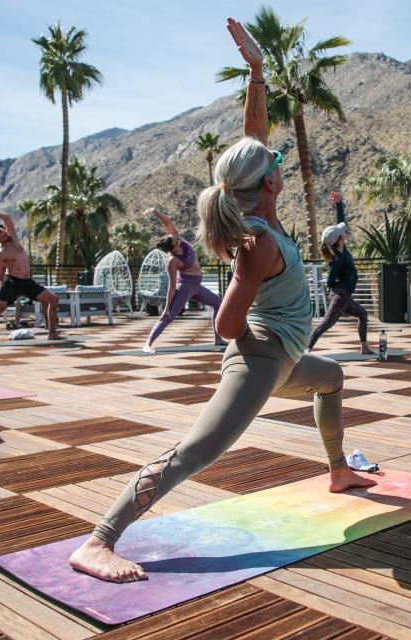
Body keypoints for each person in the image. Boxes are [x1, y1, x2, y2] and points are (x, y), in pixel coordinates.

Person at [69, 18, 377, 583]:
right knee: (196, 453)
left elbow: (254, 140)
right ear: (268, 184)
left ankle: (338, 471)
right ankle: (97, 541)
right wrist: (257, 350)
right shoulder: (257, 242)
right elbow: (229, 320)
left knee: (331, 377)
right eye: (277, 164)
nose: (280, 161)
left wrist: (257, 73)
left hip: (281, 356)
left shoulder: (263, 215)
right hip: (260, 361)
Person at [0, 208, 61, 346]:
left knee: (53, 299)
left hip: (27, 282)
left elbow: (7, 216)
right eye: (2, 237)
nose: (6, 236)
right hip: (12, 283)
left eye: (4, 233)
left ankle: (52, 333)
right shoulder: (1, 253)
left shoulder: (14, 237)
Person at [141, 207, 224, 353]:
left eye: (175, 237)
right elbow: (172, 286)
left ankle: (218, 338)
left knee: (217, 302)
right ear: (173, 247)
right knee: (168, 315)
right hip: (184, 287)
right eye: (175, 240)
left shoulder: (177, 239)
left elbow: (168, 222)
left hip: (196, 286)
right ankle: (148, 343)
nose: (177, 238)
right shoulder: (172, 261)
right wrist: (167, 306)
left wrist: (155, 212)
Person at [306, 191, 373, 354]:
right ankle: (306, 350)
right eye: (342, 232)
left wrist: (338, 203)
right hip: (340, 296)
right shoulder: (338, 258)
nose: (345, 232)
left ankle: (364, 347)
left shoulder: (341, 248)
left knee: (363, 314)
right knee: (325, 324)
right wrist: (337, 289)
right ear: (338, 238)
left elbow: (341, 222)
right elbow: (330, 280)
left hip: (344, 296)